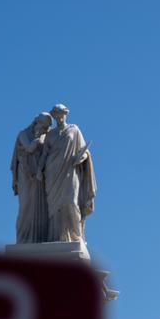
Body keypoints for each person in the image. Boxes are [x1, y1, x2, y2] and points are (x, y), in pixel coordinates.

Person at [38, 104, 96, 242]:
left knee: (70, 201)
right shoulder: (50, 134)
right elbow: (45, 153)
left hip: (70, 170)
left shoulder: (74, 130)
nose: (59, 117)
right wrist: (40, 169)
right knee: (53, 207)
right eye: (56, 115)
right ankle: (56, 236)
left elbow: (84, 151)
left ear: (66, 115)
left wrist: (80, 157)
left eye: (61, 114)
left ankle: (76, 235)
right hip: (52, 172)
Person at [11, 112, 53, 243]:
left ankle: (39, 238)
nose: (44, 130)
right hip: (25, 174)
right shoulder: (23, 134)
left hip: (39, 176)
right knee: (26, 206)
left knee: (41, 207)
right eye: (43, 126)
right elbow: (29, 148)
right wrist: (40, 140)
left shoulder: (45, 136)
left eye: (46, 128)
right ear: (36, 123)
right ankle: (23, 238)